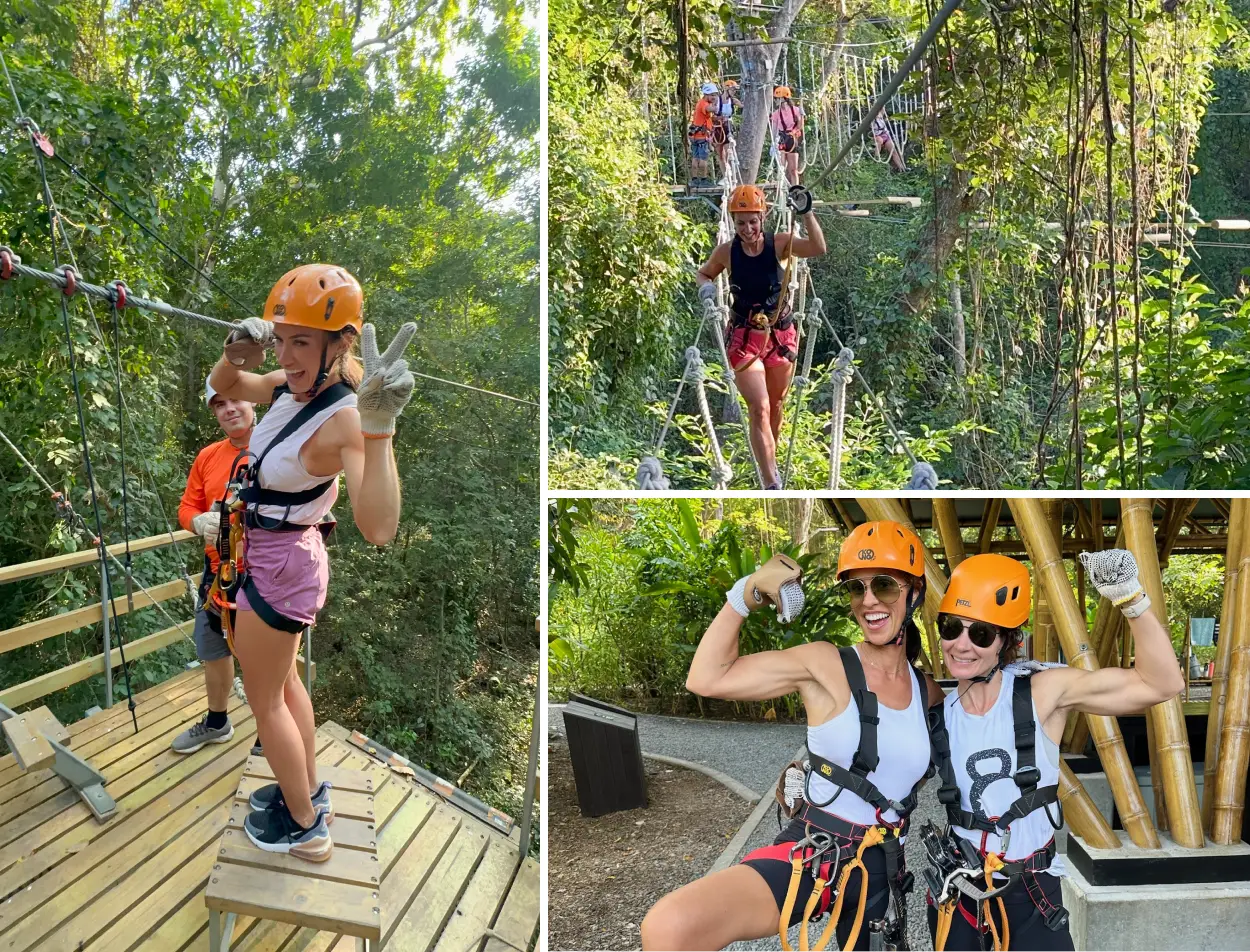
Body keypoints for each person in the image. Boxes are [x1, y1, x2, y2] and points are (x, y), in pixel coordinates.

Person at [641, 521, 946, 952]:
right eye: (857, 590)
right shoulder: (824, 664)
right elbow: (707, 677)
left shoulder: (925, 690)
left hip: (882, 865)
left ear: (914, 592)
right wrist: (745, 594)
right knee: (672, 926)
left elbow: (980, 714)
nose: (869, 601)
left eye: (884, 586)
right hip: (817, 850)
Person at [207, 263, 417, 862]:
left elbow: (378, 527)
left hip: (281, 567)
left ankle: (304, 826)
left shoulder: (345, 417)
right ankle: (307, 789)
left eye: (300, 341)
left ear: (339, 344)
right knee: (284, 683)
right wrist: (237, 351)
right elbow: (228, 384)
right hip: (274, 556)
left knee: (263, 697)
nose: (286, 354)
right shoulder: (287, 387)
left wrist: (379, 432)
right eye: (280, 340)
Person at [925, 551, 1184, 952]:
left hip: (1031, 893)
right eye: (951, 627)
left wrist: (1131, 599)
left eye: (980, 634)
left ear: (1007, 641)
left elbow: (1161, 683)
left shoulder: (1042, 693)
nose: (961, 645)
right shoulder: (939, 713)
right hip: (960, 890)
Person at [695, 183, 826, 489]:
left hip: (780, 337)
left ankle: (772, 463)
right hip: (745, 338)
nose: (748, 228)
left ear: (762, 218)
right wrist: (706, 287)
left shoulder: (778, 244)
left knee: (777, 405)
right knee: (760, 407)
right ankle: (770, 482)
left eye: (753, 221)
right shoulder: (726, 252)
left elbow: (818, 248)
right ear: (733, 222)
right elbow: (705, 272)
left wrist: (806, 213)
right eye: (741, 223)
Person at [171, 379, 261, 757]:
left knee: (264, 660)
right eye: (219, 404)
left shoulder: (276, 448)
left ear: (253, 400)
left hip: (264, 576)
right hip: (218, 574)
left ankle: (270, 733)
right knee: (213, 650)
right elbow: (186, 507)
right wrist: (197, 524)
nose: (229, 409)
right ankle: (217, 721)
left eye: (235, 399)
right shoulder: (208, 457)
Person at [770, 86, 805, 185]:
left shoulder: (796, 110)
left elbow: (800, 125)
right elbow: (774, 130)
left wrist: (801, 117)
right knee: (781, 169)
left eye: (777, 98)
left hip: (792, 140)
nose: (775, 100)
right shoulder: (776, 114)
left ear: (783, 98)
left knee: (793, 170)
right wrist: (773, 144)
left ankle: (795, 189)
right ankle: (782, 190)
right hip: (782, 139)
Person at [689, 82, 720, 188]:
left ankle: (694, 180)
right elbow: (711, 109)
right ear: (706, 94)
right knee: (703, 159)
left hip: (695, 136)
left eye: (714, 95)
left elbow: (706, 117)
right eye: (712, 95)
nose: (713, 97)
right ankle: (703, 180)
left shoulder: (700, 103)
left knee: (695, 157)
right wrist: (716, 103)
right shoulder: (704, 104)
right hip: (702, 137)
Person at [710, 80, 742, 175]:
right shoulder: (717, 100)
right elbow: (710, 116)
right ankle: (725, 175)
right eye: (732, 90)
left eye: (735, 90)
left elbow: (743, 105)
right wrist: (719, 118)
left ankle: (731, 172)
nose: (734, 92)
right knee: (720, 154)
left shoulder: (733, 101)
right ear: (727, 89)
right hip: (718, 128)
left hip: (728, 127)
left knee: (729, 151)